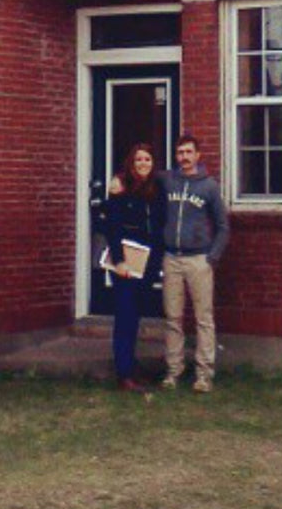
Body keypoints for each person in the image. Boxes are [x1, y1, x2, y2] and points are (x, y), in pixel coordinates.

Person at [159, 134, 228, 393]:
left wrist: (213, 256)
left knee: (203, 318)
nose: (184, 157)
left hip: (199, 259)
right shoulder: (167, 181)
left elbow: (222, 226)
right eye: (180, 153)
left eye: (189, 152)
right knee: (173, 317)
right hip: (172, 258)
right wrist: (118, 180)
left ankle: (204, 374)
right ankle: (173, 370)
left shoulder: (209, 186)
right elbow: (140, 176)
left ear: (198, 155)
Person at [104, 142, 165, 392]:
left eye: (147, 159)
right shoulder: (121, 188)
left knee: (136, 316)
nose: (143, 164)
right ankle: (124, 375)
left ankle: (130, 367)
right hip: (126, 263)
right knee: (125, 318)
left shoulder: (157, 189)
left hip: (148, 264)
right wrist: (119, 261)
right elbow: (112, 227)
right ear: (131, 162)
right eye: (138, 159)